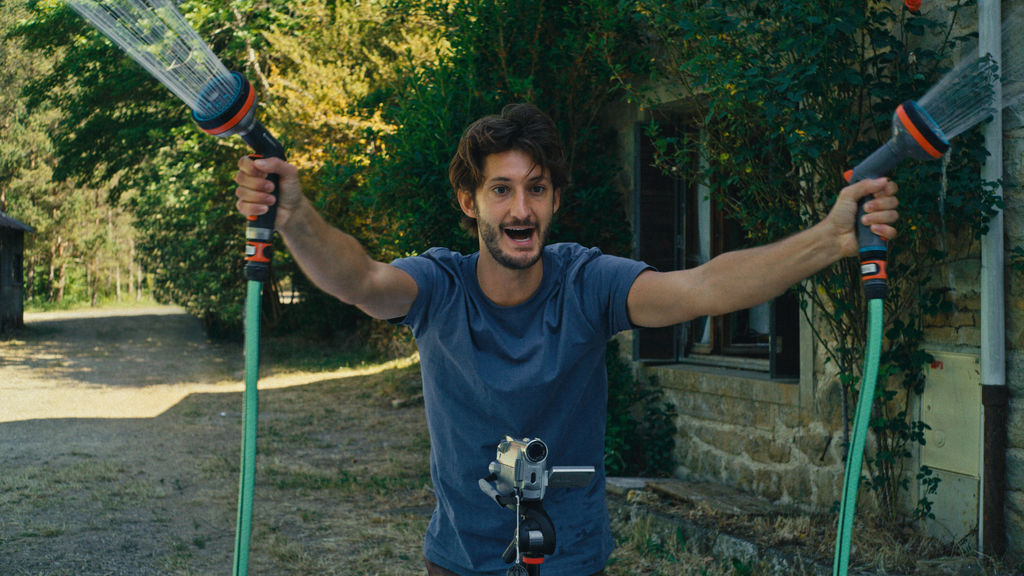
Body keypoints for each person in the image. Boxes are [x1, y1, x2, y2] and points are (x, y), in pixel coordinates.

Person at [233, 104, 900, 576]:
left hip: (571, 560)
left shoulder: (587, 284)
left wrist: (833, 238)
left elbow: (705, 288)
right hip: (460, 561)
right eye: (501, 190)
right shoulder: (439, 286)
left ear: (554, 202)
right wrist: (295, 217)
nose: (520, 210)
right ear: (470, 201)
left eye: (536, 189)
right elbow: (363, 281)